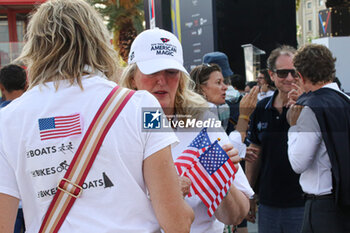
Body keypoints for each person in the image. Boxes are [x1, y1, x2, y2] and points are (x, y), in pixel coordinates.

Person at [0, 1, 194, 233]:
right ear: (98, 42)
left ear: (35, 47)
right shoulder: (142, 105)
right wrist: (186, 210)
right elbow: (176, 223)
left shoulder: (8, 120)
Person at [120, 27, 254, 233]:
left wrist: (216, 178)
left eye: (171, 72)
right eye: (152, 71)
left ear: (181, 78)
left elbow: (236, 215)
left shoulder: (201, 121)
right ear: (132, 79)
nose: (162, 80)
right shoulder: (117, 128)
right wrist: (166, 190)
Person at [287, 44, 350, 233]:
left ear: (301, 76)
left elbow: (298, 163)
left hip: (322, 207)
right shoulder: (346, 100)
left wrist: (293, 127)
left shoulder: (310, 108)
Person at [245, 45, 305, 233]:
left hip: (303, 202)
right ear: (272, 75)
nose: (289, 78)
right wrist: (248, 194)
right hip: (269, 203)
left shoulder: (310, 106)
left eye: (294, 73)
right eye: (282, 73)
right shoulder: (260, 108)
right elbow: (254, 153)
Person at [0, 64, 28, 233]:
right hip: (35, 197)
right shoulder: (36, 114)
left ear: (1, 87)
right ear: (27, 84)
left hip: (8, 200)